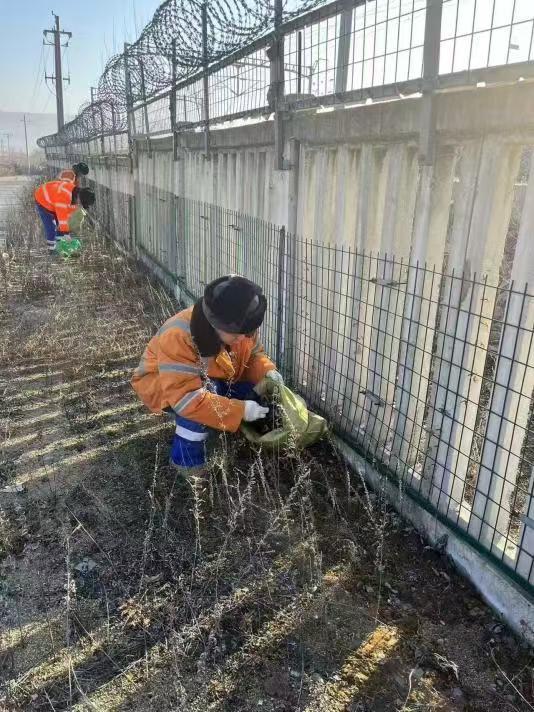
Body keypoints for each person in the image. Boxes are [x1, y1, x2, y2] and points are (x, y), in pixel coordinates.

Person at [132, 275, 284, 478]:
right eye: (238, 334)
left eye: (248, 332)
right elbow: (187, 399)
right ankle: (188, 465)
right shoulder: (178, 336)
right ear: (216, 323)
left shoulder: (242, 325)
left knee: (252, 392)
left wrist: (267, 372)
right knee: (201, 406)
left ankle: (223, 427)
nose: (244, 338)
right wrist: (240, 410)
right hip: (166, 388)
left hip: (215, 379)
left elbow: (254, 354)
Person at [34, 178, 95, 254]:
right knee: (51, 227)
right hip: (42, 199)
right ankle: (52, 251)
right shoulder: (63, 197)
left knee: (61, 229)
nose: (81, 205)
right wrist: (66, 234)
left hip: (54, 200)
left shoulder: (75, 197)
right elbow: (62, 218)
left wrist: (67, 232)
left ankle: (60, 247)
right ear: (79, 198)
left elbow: (67, 218)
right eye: (82, 203)